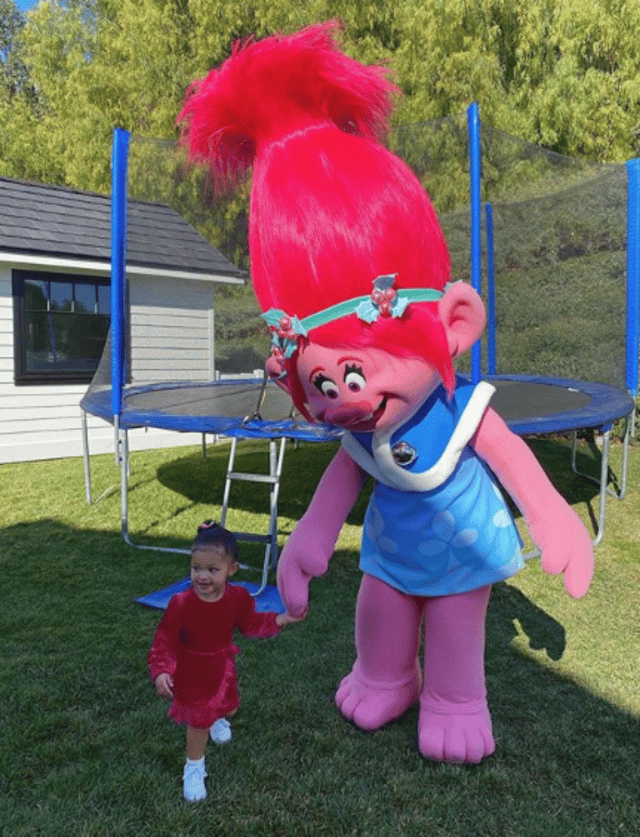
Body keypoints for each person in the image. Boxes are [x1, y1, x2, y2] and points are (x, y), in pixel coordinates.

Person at [176, 23, 594, 764]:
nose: (341, 394)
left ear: (453, 322)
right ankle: (386, 676)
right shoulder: (358, 432)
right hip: (393, 553)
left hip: (463, 552)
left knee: (458, 628)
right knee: (379, 611)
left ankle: (456, 696)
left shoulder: (459, 408)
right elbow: (345, 476)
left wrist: (553, 515)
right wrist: (308, 539)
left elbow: (510, 458)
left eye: (356, 373)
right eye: (321, 381)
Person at [148, 520, 304, 801]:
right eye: (196, 568)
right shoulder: (181, 603)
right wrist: (161, 670)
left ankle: (217, 717)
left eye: (212, 570)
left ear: (232, 570)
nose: (202, 576)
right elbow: (165, 639)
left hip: (221, 668)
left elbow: (250, 623)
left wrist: (280, 618)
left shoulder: (238, 597)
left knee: (228, 709)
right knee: (197, 721)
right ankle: (194, 767)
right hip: (191, 670)